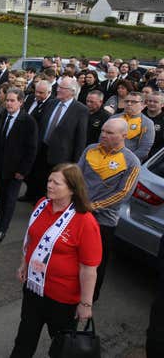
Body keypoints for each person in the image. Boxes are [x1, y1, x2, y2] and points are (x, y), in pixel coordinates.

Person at [10, 163, 102, 358]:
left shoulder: (85, 221)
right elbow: (31, 240)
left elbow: (89, 268)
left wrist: (86, 304)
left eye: (56, 183)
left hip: (62, 299)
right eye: (49, 180)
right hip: (34, 289)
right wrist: (23, 264)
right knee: (24, 339)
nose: (50, 185)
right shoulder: (42, 204)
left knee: (62, 347)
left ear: (72, 188)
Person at [77, 118, 140, 301]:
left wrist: (93, 206)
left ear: (124, 136)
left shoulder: (131, 161)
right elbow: (77, 176)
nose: (103, 135)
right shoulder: (90, 149)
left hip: (103, 221)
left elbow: (123, 193)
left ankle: (90, 298)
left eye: (110, 133)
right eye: (103, 130)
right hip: (79, 211)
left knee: (96, 261)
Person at [0, 88, 38, 244]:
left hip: (16, 170)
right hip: (1, 165)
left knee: (9, 199)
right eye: (7, 100)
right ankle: (2, 221)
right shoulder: (2, 116)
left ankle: (3, 229)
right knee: (2, 196)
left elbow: (31, 149)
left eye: (12, 101)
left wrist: (22, 171)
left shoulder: (28, 122)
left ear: (21, 102)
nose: (8, 103)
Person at [27, 77, 88, 201]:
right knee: (37, 176)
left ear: (72, 91)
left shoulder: (80, 110)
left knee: (54, 182)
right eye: (58, 87)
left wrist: (75, 163)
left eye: (62, 88)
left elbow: (80, 138)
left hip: (61, 155)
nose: (58, 90)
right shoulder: (51, 103)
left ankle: (48, 202)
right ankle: (32, 197)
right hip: (42, 148)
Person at [111, 91, 155, 162]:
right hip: (107, 157)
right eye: (127, 101)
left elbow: (144, 149)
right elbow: (102, 138)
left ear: (142, 105)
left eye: (134, 102)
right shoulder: (114, 118)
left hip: (129, 162)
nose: (129, 104)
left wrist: (123, 160)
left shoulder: (147, 123)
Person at [145, 92, 164, 159]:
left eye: (155, 102)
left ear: (162, 104)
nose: (151, 103)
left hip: (154, 158)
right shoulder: (139, 115)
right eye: (150, 101)